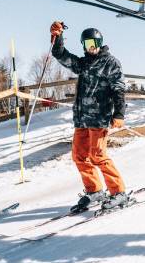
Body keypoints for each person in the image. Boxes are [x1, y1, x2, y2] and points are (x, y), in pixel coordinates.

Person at [50, 22, 129, 212]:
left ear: (100, 42)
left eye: (93, 43)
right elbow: (61, 56)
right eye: (86, 44)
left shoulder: (111, 63)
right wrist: (57, 36)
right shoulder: (84, 63)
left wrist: (119, 113)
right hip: (82, 118)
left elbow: (119, 89)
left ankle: (118, 192)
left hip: (99, 118)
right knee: (79, 156)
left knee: (98, 156)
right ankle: (94, 190)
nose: (90, 47)